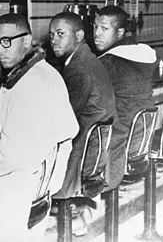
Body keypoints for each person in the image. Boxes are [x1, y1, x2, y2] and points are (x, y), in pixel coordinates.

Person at [0, 13, 79, 242]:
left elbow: (12, 153)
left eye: (6, 41)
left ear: (26, 40)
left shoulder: (31, 83)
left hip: (19, 186)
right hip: (42, 182)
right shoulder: (44, 72)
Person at [48, 12, 117, 236]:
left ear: (78, 35)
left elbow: (65, 118)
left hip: (81, 152)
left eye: (61, 34)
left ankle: (71, 213)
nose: (54, 40)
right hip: (93, 147)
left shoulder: (78, 68)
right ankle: (78, 211)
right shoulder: (86, 58)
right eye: (51, 35)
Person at [93, 5, 157, 191]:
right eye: (95, 27)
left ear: (120, 31)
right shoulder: (142, 55)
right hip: (140, 136)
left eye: (104, 29)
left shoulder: (108, 62)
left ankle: (79, 199)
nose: (97, 33)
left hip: (118, 142)